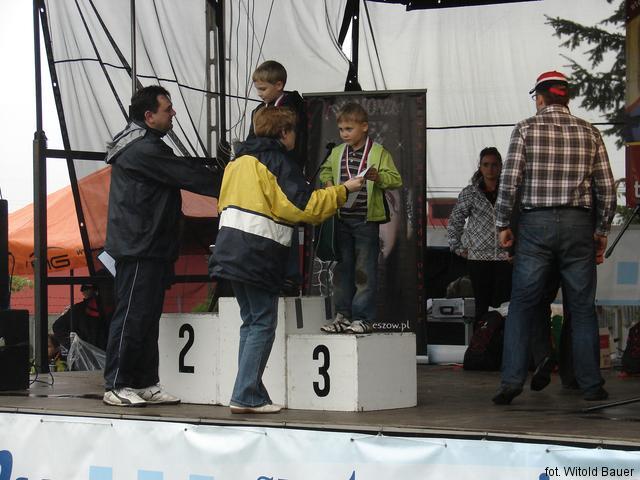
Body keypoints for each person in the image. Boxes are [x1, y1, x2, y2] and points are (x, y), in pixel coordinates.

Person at [211, 106, 365, 414]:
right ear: (284, 133)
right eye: (294, 131)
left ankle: (249, 390)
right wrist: (343, 191)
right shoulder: (277, 161)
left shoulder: (237, 162)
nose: (296, 137)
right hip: (258, 253)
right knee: (262, 323)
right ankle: (246, 395)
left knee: (251, 322)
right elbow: (304, 207)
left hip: (229, 251)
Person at [492, 71, 616, 404]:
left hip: (536, 224)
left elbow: (510, 181)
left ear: (541, 98)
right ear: (566, 99)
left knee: (523, 304)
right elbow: (606, 187)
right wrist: (601, 231)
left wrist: (503, 224)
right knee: (582, 307)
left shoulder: (525, 128)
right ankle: (591, 385)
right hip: (578, 224)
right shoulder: (590, 131)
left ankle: (511, 381)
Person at [103, 85, 220, 407]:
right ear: (149, 115)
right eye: (168, 109)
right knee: (132, 316)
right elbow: (189, 175)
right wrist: (235, 182)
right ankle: (116, 384)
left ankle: (144, 382)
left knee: (146, 316)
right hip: (139, 246)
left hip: (150, 245)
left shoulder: (144, 144)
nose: (174, 114)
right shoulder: (143, 149)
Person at [319, 103, 402, 334]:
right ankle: (343, 316)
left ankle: (363, 317)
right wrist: (329, 185)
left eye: (349, 129)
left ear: (364, 127)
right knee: (343, 270)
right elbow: (325, 171)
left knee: (364, 270)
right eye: (341, 129)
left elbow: (396, 179)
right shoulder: (337, 152)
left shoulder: (378, 152)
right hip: (341, 219)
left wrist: (379, 176)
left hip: (366, 221)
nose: (344, 134)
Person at [247, 60, 308, 295]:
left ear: (279, 85)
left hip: (286, 173)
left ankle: (290, 277)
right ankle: (270, 273)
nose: (259, 94)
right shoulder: (258, 111)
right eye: (258, 89)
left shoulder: (293, 107)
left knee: (287, 220)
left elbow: (298, 144)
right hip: (263, 174)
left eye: (263, 89)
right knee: (268, 222)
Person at [447, 147, 512, 321]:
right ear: (480, 167)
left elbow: (519, 220)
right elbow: (455, 220)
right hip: (478, 259)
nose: (490, 169)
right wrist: (457, 247)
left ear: (500, 166)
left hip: (505, 258)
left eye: (494, 165)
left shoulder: (509, 192)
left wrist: (516, 250)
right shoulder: (470, 193)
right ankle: (481, 337)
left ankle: (502, 338)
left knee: (505, 307)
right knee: (482, 306)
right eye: (486, 164)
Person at [52, 284, 109, 352]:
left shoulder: (111, 308)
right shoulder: (78, 310)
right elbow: (58, 327)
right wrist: (75, 347)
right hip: (88, 353)